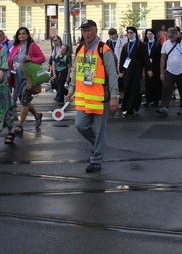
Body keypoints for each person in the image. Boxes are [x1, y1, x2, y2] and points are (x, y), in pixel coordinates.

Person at [67, 19, 119, 172]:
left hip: (101, 97)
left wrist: (114, 96)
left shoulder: (104, 50)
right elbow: (75, 72)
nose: (86, 33)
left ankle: (96, 160)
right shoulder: (79, 49)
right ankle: (99, 146)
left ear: (95, 31)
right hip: (84, 98)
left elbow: (112, 74)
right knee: (80, 125)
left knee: (99, 130)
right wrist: (71, 89)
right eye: (84, 31)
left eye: (89, 30)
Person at [8, 27, 45, 134]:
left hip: (28, 79)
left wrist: (31, 59)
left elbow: (42, 58)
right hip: (17, 80)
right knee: (25, 101)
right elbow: (11, 61)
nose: (22, 36)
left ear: (28, 35)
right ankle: (37, 116)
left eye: (24, 34)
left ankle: (20, 125)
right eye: (20, 34)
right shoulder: (15, 47)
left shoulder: (32, 46)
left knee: (24, 101)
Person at [157, 27, 182, 116]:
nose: (170, 38)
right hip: (170, 70)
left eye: (172, 36)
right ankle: (164, 107)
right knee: (166, 88)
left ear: (176, 35)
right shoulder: (165, 44)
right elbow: (162, 58)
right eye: (169, 36)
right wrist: (161, 72)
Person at [119, 26, 151, 116]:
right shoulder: (126, 45)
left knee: (135, 88)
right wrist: (121, 70)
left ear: (135, 34)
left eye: (131, 33)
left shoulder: (139, 44)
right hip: (128, 70)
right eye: (128, 33)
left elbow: (145, 57)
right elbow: (122, 58)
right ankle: (128, 106)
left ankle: (132, 107)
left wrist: (148, 69)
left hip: (137, 70)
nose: (129, 35)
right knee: (127, 87)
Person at [143, 29, 162, 107]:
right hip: (148, 66)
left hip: (156, 66)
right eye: (148, 34)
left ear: (153, 35)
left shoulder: (158, 44)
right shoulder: (145, 44)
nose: (149, 36)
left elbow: (161, 56)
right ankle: (148, 100)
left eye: (150, 34)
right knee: (148, 83)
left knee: (156, 82)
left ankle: (156, 100)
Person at [48, 37, 71, 104]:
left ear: (66, 51)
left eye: (63, 50)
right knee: (56, 85)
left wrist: (68, 76)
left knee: (61, 85)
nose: (61, 50)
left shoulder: (66, 57)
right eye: (61, 49)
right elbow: (54, 65)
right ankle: (67, 93)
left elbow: (69, 67)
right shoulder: (57, 56)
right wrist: (54, 74)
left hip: (64, 72)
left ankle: (61, 100)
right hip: (57, 71)